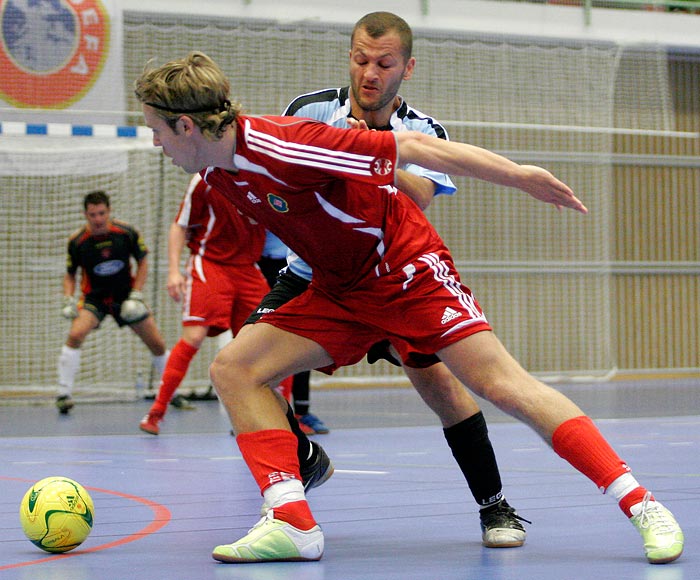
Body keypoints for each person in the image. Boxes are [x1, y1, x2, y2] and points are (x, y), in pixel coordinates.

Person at [135, 51, 684, 566]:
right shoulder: (214, 172)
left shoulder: (287, 143)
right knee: (235, 368)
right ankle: (292, 522)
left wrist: (521, 176)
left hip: (405, 271)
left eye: (156, 130)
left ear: (186, 126)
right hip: (340, 288)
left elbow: (420, 150)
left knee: (501, 385)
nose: (155, 143)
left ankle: (642, 504)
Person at [243, 11, 527, 547]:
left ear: (406, 69)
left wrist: (370, 150)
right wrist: (330, 147)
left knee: (442, 387)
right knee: (241, 365)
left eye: (384, 63)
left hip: (391, 282)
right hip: (313, 276)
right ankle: (302, 459)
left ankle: (495, 506)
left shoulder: (424, 130)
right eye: (360, 59)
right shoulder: (310, 110)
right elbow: (287, 174)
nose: (369, 73)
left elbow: (416, 198)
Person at [139, 174, 271, 434]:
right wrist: (173, 271)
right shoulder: (206, 178)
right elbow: (180, 225)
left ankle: (274, 416)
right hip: (211, 263)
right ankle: (157, 411)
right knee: (195, 335)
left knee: (270, 339)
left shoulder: (265, 176)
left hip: (248, 268)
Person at [57, 191, 169, 414]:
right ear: (85, 214)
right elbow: (70, 274)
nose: (97, 219)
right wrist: (68, 298)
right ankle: (63, 394)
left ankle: (171, 394)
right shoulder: (77, 241)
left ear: (109, 211)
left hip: (125, 296)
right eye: (92, 215)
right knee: (75, 334)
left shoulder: (126, 233)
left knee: (156, 343)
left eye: (101, 213)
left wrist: (136, 293)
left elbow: (143, 262)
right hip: (94, 299)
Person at [256, 232, 327, 435]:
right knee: (265, 339)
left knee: (302, 337)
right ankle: (264, 411)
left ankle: (301, 412)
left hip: (296, 267)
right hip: (262, 266)